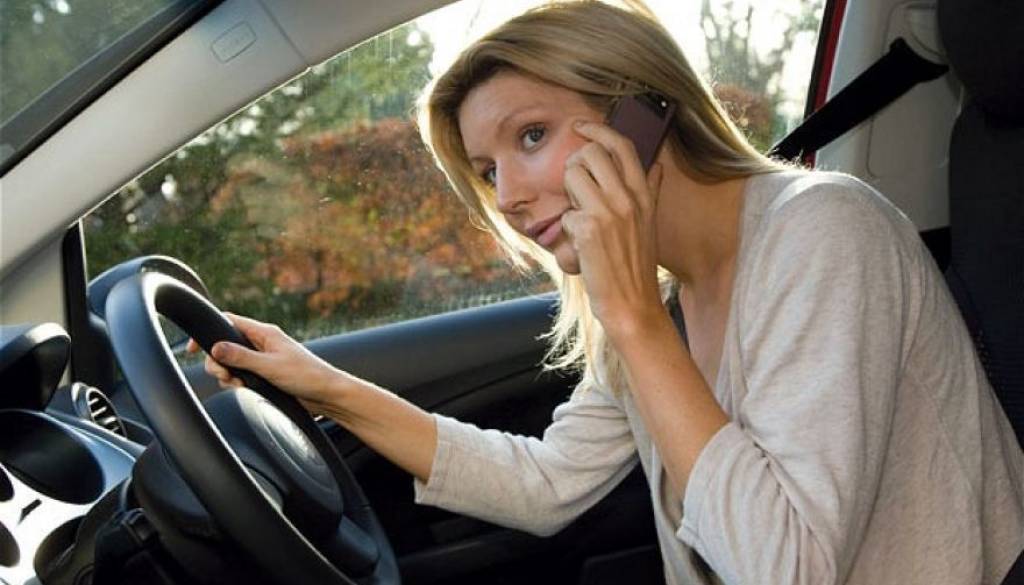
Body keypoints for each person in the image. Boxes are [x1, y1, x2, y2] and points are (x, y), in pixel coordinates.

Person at [193, 2, 1024, 583]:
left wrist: (633, 319)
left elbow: (786, 568)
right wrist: (320, 384)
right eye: (487, 171)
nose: (508, 196)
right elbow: (546, 482)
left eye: (531, 136)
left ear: (643, 112)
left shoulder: (824, 231)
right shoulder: (659, 296)